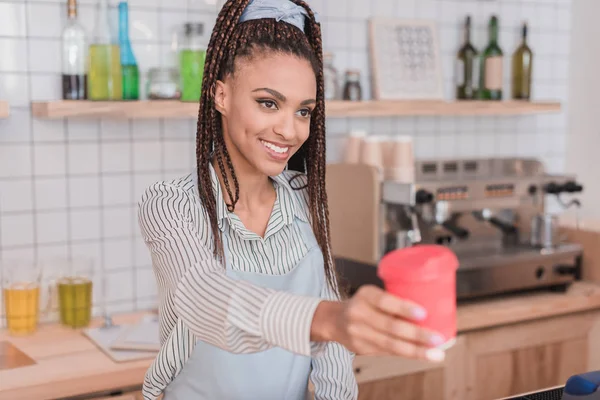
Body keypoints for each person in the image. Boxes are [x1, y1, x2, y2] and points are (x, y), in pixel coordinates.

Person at [137, 0, 448, 399]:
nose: (289, 130)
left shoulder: (305, 198)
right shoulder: (171, 206)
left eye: (304, 111)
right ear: (221, 95)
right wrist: (327, 319)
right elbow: (207, 300)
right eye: (269, 103)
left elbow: (332, 355)